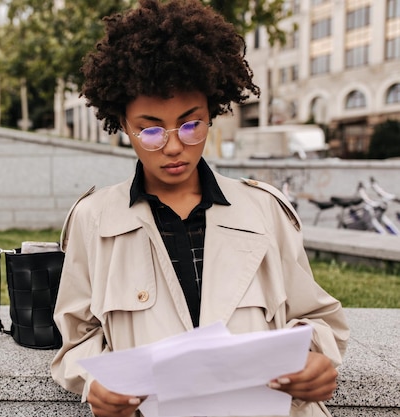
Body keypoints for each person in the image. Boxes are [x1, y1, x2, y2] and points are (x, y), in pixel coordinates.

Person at [50, 1, 350, 416]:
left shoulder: (265, 210)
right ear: (122, 125)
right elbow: (76, 337)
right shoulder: (93, 219)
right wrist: (92, 383)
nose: (174, 146)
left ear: (213, 112)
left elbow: (317, 318)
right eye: (150, 129)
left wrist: (317, 358)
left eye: (191, 124)